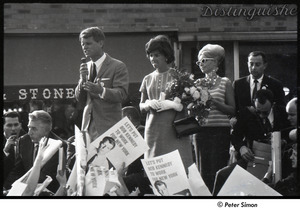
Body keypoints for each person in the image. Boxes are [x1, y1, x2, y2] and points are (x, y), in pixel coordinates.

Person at [212, 89, 289, 196]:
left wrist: (283, 142)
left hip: (279, 160)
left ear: (273, 104)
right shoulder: (246, 113)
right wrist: (242, 147)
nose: (262, 115)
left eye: (265, 112)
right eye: (258, 111)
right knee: (222, 175)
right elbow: (236, 136)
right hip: (253, 159)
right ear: (254, 103)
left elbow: (291, 133)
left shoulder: (283, 113)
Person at [139, 35, 193, 171]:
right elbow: (140, 105)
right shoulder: (147, 78)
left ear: (166, 56)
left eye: (156, 55)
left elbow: (188, 102)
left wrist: (173, 104)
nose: (153, 59)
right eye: (150, 55)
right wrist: (147, 104)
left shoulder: (177, 76)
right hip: (153, 129)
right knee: (157, 170)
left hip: (173, 128)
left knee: (176, 168)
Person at [193, 44, 235, 192]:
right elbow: (193, 112)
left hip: (220, 132)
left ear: (216, 62)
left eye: (204, 60)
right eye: (199, 62)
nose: (200, 65)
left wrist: (213, 101)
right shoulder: (196, 84)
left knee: (218, 170)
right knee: (203, 172)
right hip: (201, 132)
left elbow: (232, 109)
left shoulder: (225, 82)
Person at [75, 26, 129, 142]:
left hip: (108, 127)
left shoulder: (117, 66)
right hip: (87, 127)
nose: (84, 47)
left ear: (100, 43)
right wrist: (82, 80)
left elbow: (122, 94)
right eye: (82, 44)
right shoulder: (86, 67)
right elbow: (80, 99)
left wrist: (101, 91)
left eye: (88, 43)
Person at [4, 110, 65, 194]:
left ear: (47, 130)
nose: (29, 133)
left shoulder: (59, 145)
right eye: (29, 127)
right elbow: (17, 171)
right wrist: (8, 188)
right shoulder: (23, 141)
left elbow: (46, 177)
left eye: (33, 129)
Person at [3, 111, 27, 182]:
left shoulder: (29, 139)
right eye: (9, 125)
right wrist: (5, 150)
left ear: (20, 126)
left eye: (16, 125)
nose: (13, 128)